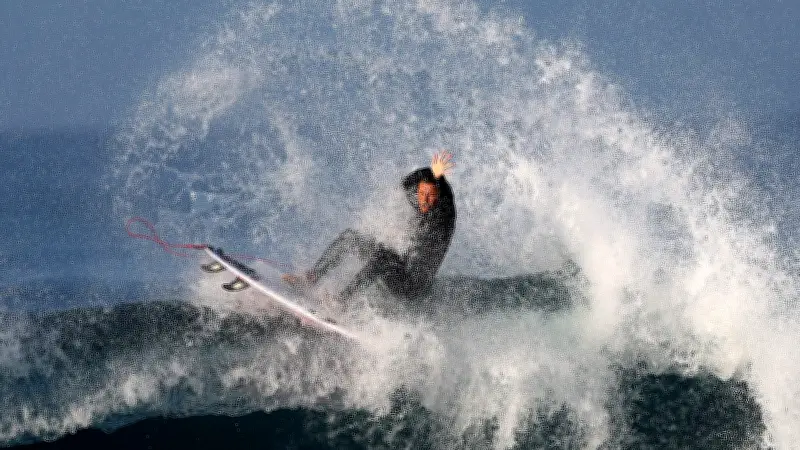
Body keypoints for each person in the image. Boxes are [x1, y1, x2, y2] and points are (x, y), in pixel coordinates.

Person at [282, 151, 456, 302]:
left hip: (413, 289)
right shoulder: (423, 197)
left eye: (431, 195)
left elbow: (446, 196)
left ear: (439, 196)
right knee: (351, 238)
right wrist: (431, 172)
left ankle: (341, 303)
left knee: (384, 257)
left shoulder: (444, 213)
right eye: (422, 193)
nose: (424, 200)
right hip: (400, 273)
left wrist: (438, 176)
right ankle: (311, 278)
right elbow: (406, 182)